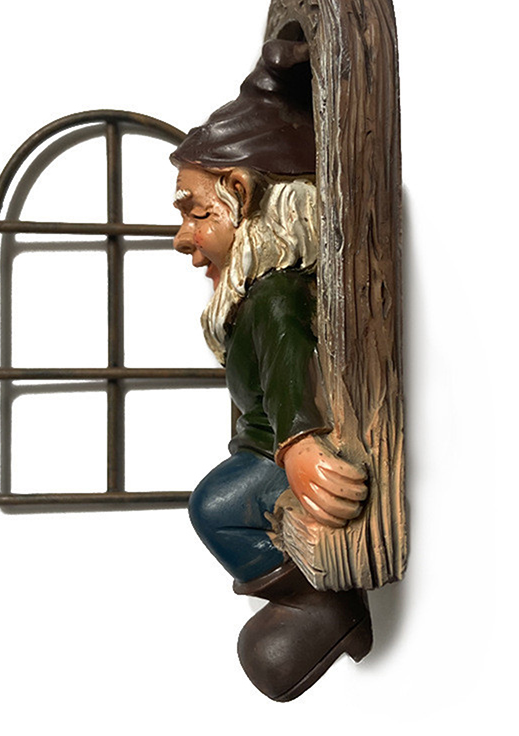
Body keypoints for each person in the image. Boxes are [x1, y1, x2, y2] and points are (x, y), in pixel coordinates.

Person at [170, 40, 373, 701]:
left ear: (242, 195)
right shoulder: (252, 297)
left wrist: (299, 447)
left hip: (277, 453)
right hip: (262, 449)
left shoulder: (276, 297)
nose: (182, 237)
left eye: (197, 212)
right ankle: (310, 601)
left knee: (215, 507)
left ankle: (320, 604)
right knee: (218, 503)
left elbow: (291, 369)